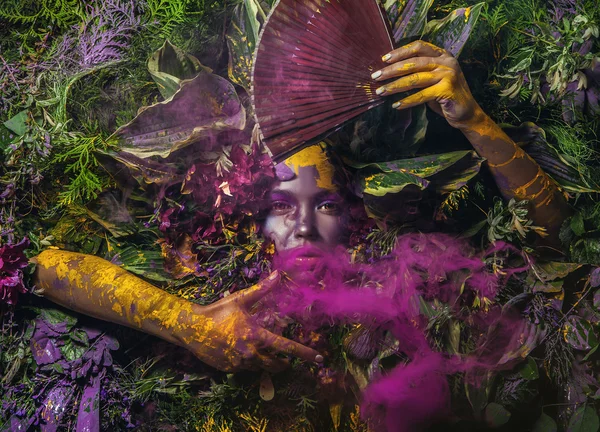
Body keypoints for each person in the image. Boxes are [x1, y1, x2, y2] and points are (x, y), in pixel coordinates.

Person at [32, 41, 570, 373]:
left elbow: (554, 238)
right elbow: (47, 267)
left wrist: (474, 120)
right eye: (286, 208)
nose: (306, 229)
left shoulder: (398, 227)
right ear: (254, 203)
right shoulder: (207, 238)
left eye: (327, 204)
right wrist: (183, 321)